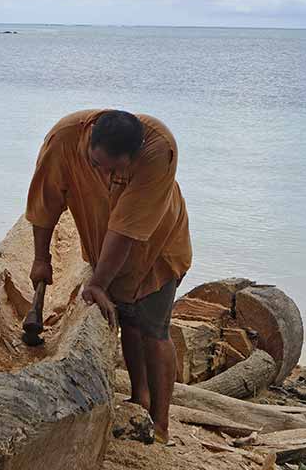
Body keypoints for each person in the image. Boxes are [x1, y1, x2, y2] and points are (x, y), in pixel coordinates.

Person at [26, 110, 192, 443]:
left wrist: (98, 283)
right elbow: (46, 202)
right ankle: (138, 400)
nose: (104, 175)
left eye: (114, 170)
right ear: (89, 139)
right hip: (102, 245)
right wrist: (41, 258)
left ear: (133, 157)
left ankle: (160, 426)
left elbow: (126, 230)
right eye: (96, 164)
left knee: (154, 329)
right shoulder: (64, 139)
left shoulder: (159, 151)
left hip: (157, 246)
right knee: (128, 320)